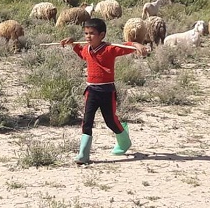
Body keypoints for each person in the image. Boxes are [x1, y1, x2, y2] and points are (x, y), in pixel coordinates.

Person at [60, 18, 148, 164]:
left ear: (102, 35)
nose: (88, 36)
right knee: (87, 121)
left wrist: (135, 44)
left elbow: (126, 47)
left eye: (92, 33)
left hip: (107, 91)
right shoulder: (87, 49)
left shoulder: (109, 49)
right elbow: (82, 54)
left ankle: (124, 141)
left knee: (111, 121)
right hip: (91, 91)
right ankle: (83, 154)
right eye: (86, 33)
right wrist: (73, 44)